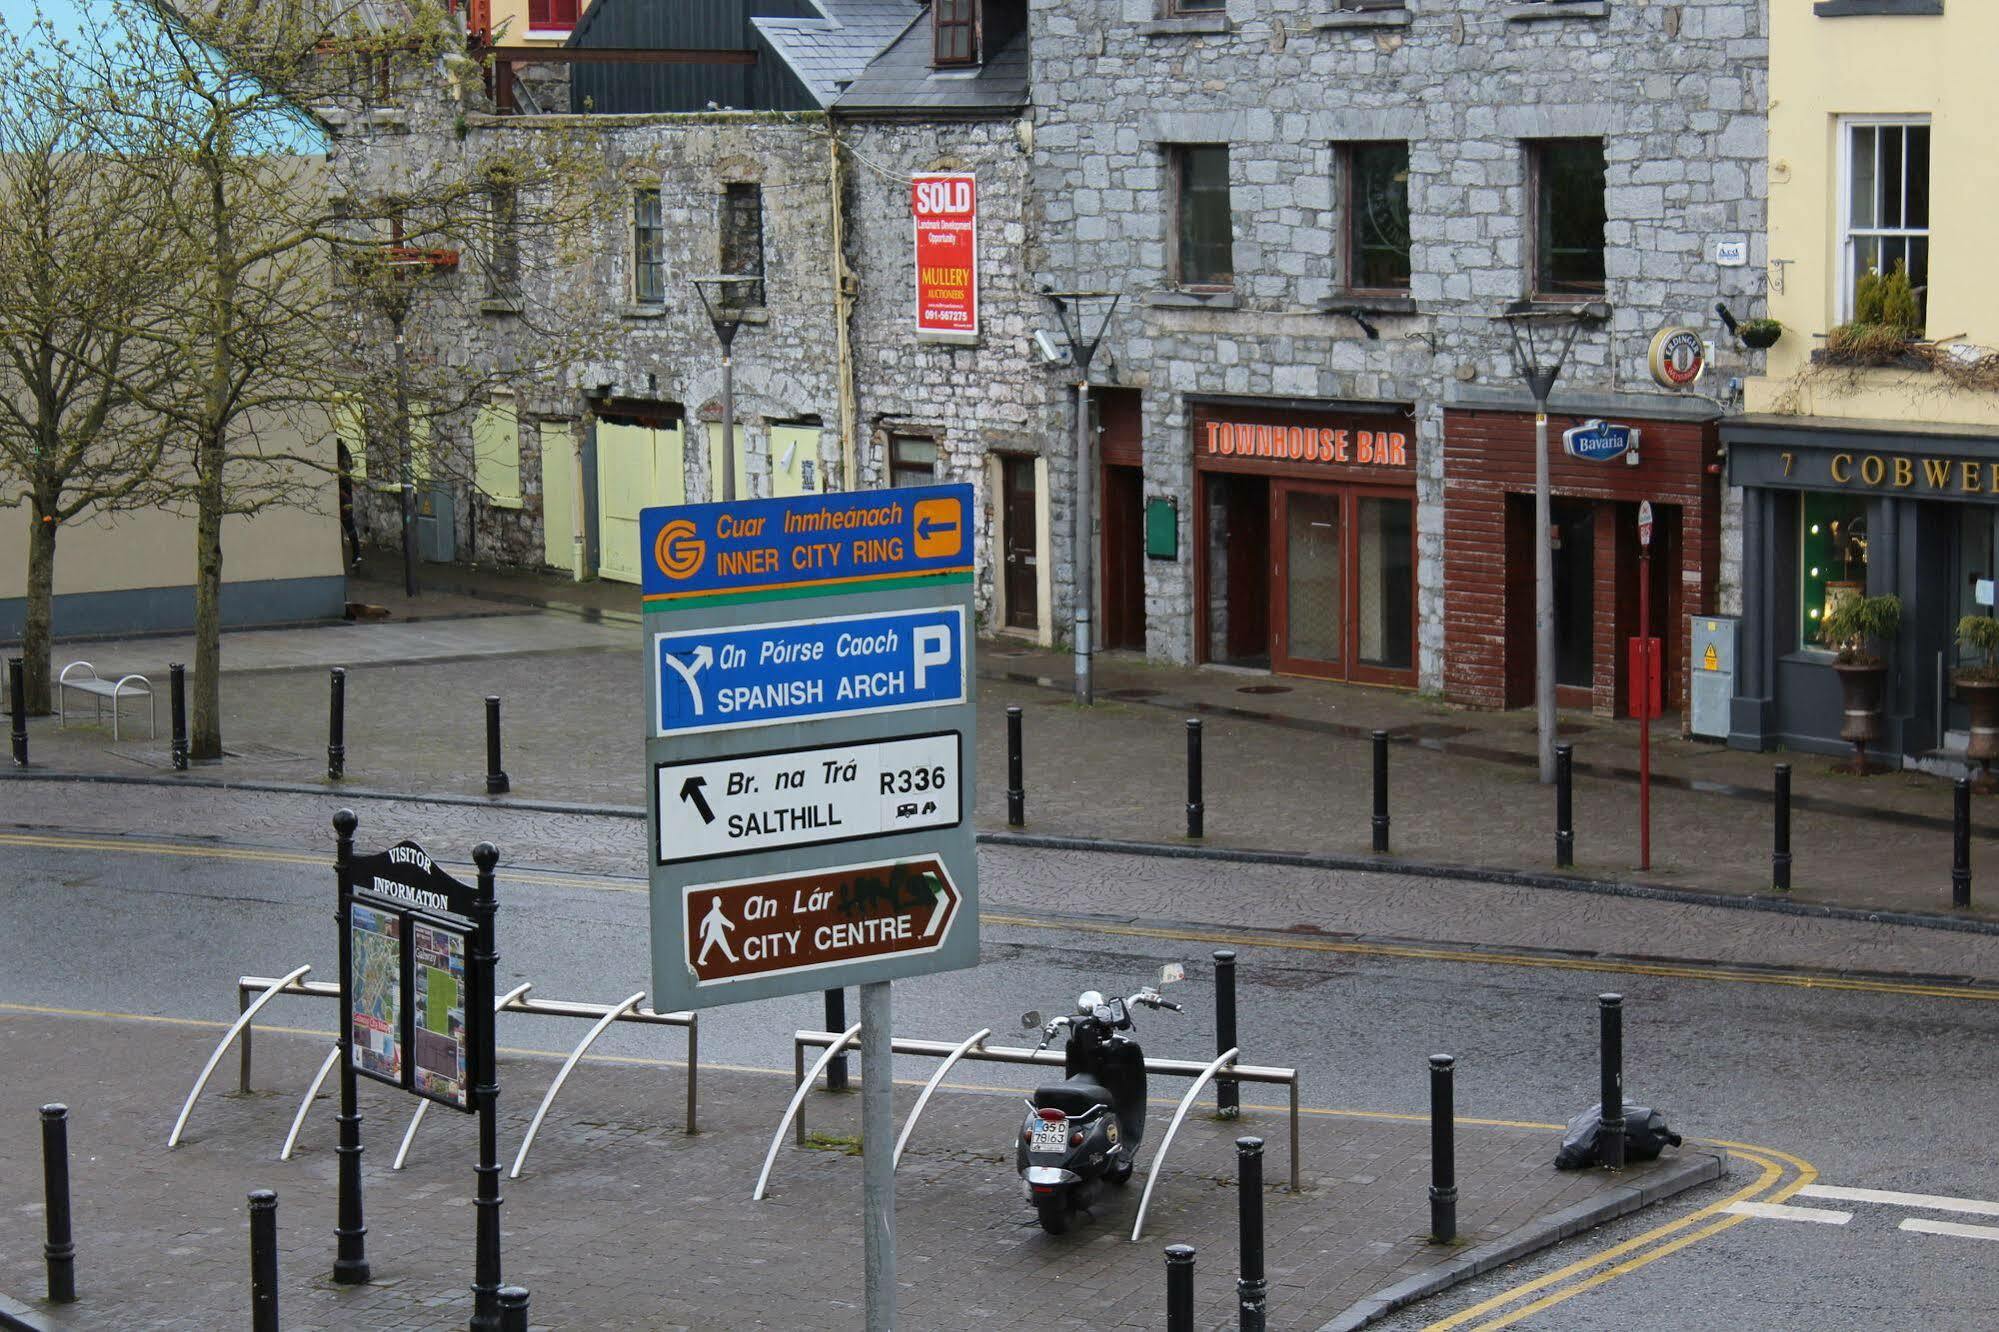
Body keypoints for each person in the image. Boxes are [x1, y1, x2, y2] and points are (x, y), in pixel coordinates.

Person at [337, 440, 361, 569]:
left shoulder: (336, 450)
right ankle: (356, 554)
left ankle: (356, 555)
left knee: (346, 523)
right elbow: (350, 467)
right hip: (346, 493)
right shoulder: (344, 450)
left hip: (341, 492)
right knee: (349, 524)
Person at [697, 896, 737, 965]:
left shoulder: (717, 911)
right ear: (715, 903)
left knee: (724, 945)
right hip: (713, 932)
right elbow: (704, 921)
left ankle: (731, 958)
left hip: (718, 932)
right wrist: (701, 931)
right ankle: (700, 959)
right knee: (707, 945)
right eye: (719, 901)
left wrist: (731, 925)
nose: (720, 902)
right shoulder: (713, 912)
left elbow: (723, 920)